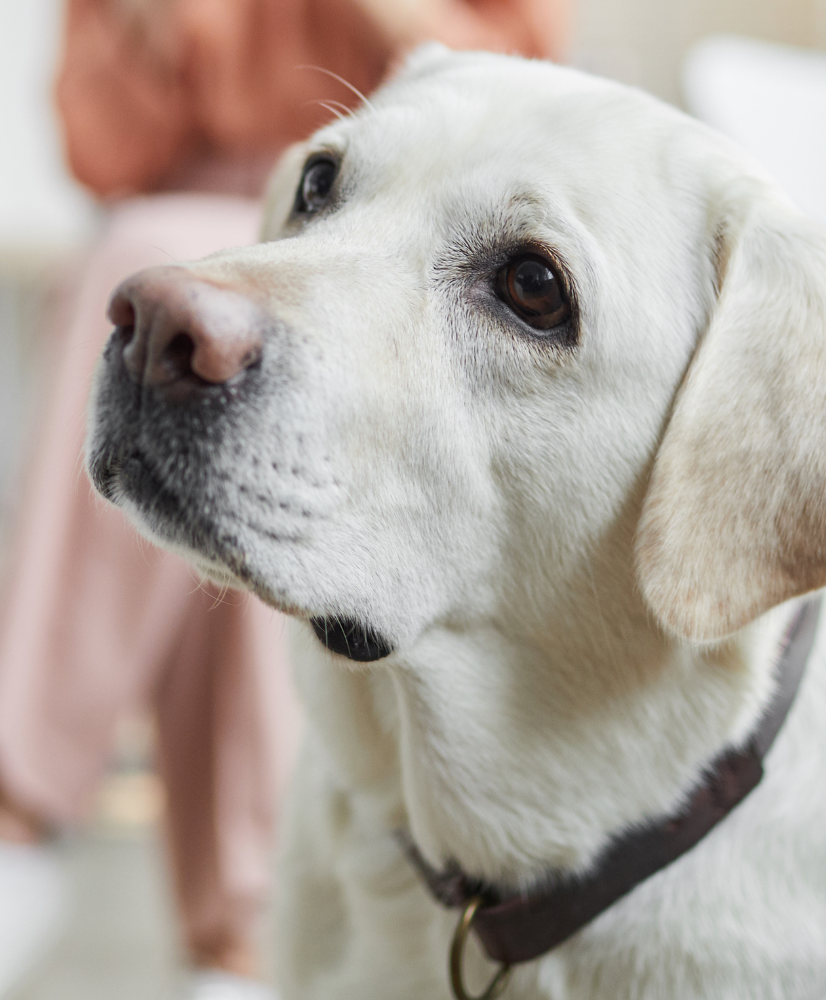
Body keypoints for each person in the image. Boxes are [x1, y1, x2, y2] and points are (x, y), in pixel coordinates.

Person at [0, 2, 572, 998]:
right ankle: (243, 946)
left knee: (169, 285)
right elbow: (99, 153)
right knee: (164, 285)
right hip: (184, 232)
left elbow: (522, 116)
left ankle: (18, 818)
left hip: (384, 259)